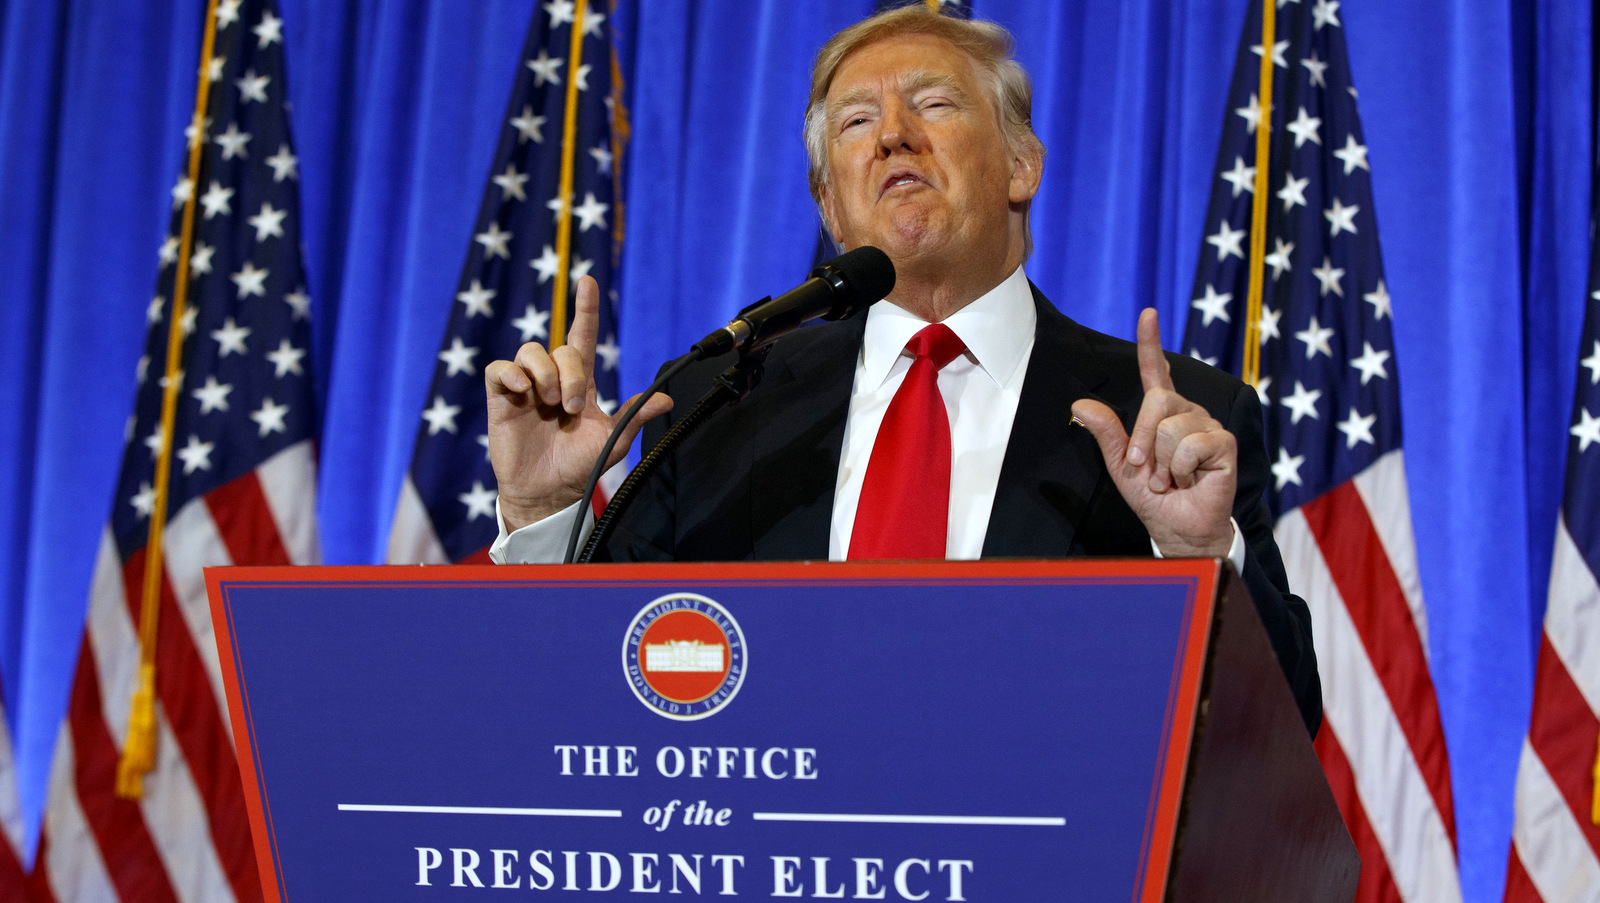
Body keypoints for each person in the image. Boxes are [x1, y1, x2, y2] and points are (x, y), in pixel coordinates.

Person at [483, 7, 1320, 732]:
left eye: (935, 103)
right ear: (830, 204)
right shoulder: (716, 397)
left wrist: (1200, 558)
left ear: (1022, 165)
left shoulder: (1169, 418)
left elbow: (1285, 724)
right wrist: (543, 513)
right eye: (855, 123)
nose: (892, 135)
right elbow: (587, 696)